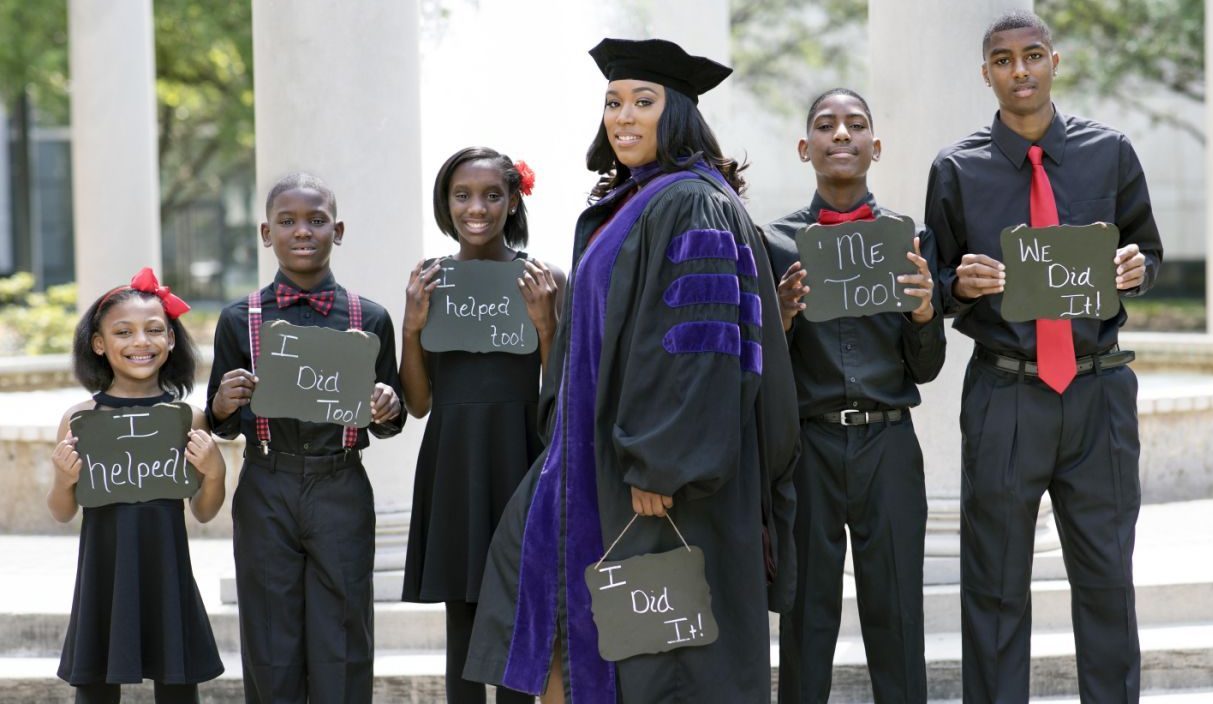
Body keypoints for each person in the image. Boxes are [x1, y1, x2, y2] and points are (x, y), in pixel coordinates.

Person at [463, 38, 799, 704]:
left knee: (659, 655)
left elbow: (697, 348)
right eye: (613, 102)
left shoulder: (691, 203)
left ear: (674, 115)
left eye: (642, 102)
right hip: (598, 464)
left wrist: (661, 462)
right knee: (562, 615)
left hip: (659, 476)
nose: (622, 116)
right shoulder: (633, 202)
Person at [925, 11, 1161, 703]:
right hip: (1006, 395)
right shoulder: (955, 169)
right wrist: (954, 286)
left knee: (1106, 582)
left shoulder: (1108, 152)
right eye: (1003, 60)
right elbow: (931, 284)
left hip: (1098, 397)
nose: (1019, 71)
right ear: (986, 74)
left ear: (1054, 62)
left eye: (1032, 56)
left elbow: (1148, 250)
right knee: (994, 584)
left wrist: (1132, 268)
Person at [763, 88, 944, 704]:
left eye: (856, 124)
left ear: (876, 145)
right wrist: (781, 317)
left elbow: (927, 369)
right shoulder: (775, 242)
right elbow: (764, 371)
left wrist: (924, 314)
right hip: (810, 446)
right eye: (826, 124)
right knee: (807, 615)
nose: (841, 134)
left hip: (889, 443)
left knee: (896, 612)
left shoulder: (908, 237)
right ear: (804, 146)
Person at [206, 173, 406, 703]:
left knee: (343, 632)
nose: (302, 232)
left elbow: (391, 416)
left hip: (339, 483)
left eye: (316, 221)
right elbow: (218, 420)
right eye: (288, 221)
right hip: (266, 482)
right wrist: (224, 403)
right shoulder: (237, 321)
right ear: (265, 233)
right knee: (270, 635)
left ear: (336, 231)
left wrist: (386, 406)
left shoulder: (370, 318)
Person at [400, 147, 563, 704]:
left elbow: (561, 392)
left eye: (492, 195)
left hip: (520, 455)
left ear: (513, 199)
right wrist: (411, 326)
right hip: (454, 457)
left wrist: (546, 326)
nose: (478, 208)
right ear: (446, 203)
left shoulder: (543, 278)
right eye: (462, 195)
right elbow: (417, 402)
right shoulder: (429, 281)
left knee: (520, 605)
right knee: (463, 615)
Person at [50, 267, 226, 703]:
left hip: (166, 565)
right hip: (103, 570)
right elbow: (61, 510)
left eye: (153, 330)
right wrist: (63, 477)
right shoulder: (79, 419)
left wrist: (216, 471)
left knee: (177, 680)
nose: (140, 342)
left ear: (170, 340)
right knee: (95, 684)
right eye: (123, 332)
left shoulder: (188, 418)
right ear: (99, 343)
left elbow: (203, 511)